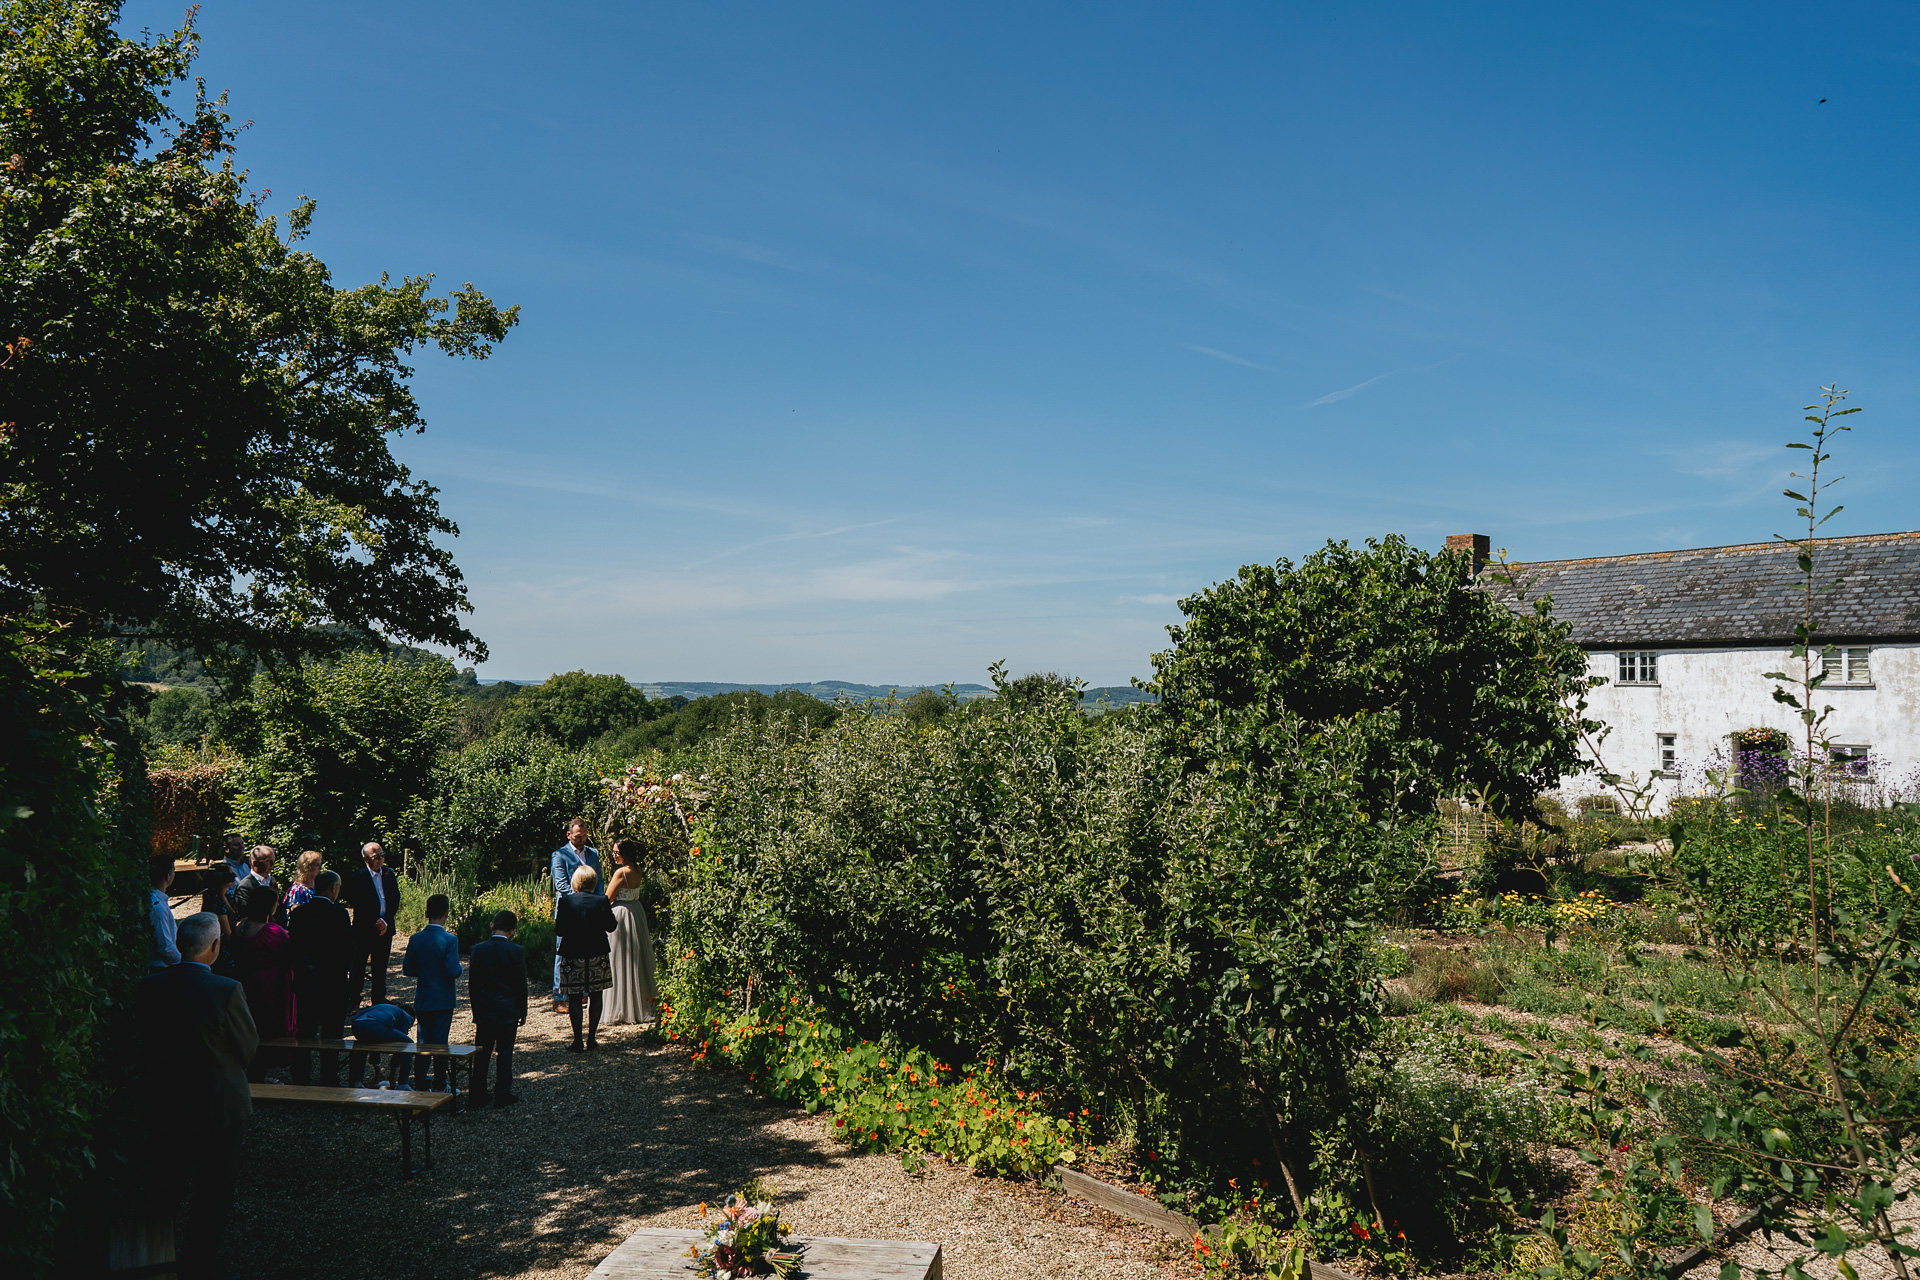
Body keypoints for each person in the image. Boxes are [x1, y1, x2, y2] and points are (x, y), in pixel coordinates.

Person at [135, 912, 258, 1280]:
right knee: (213, 1190)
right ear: (215, 947)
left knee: (165, 1184)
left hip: (165, 1099)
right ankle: (200, 1265)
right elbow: (248, 1047)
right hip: (218, 1103)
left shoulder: (149, 986)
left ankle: (157, 1260)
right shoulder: (225, 989)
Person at [288, 870, 355, 1085]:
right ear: (333, 888)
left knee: (305, 1032)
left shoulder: (299, 914)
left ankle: (300, 1075)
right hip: (333, 982)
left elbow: (293, 948)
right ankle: (329, 1076)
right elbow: (348, 949)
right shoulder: (339, 914)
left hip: (305, 981)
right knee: (332, 1033)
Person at [229, 883, 295, 1079]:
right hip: (270, 983)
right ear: (269, 905)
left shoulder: (239, 927)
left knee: (251, 1022)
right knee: (268, 1024)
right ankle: (262, 1069)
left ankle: (251, 1066)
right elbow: (289, 955)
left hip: (244, 979)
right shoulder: (272, 932)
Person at [400, 892, 462, 1091]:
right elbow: (453, 971)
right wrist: (460, 969)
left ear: (426, 912)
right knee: (440, 1044)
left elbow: (408, 969)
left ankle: (419, 1082)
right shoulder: (450, 940)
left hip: (424, 996)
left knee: (423, 1043)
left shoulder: (416, 938)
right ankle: (440, 1084)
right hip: (443, 998)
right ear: (446, 913)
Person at [467, 910, 528, 1107]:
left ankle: (477, 1092)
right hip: (507, 1010)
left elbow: (473, 984)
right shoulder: (515, 951)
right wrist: (522, 1010)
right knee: (505, 1052)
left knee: (482, 1053)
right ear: (513, 930)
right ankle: (502, 1092)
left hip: (485, 1009)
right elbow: (520, 985)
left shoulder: (478, 949)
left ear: (492, 925)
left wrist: (475, 1009)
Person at [554, 865, 617, 1052]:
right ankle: (592, 1039)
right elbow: (611, 926)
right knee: (596, 995)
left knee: (574, 997)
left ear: (576, 881)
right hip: (597, 952)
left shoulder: (565, 902)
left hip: (573, 953)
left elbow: (559, 930)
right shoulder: (602, 901)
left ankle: (577, 1041)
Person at [602, 838, 659, 1024]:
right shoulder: (637, 869)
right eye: (613, 852)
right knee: (637, 960)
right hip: (637, 911)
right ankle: (640, 1003)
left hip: (621, 913)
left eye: (617, 853)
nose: (614, 856)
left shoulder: (621, 873)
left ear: (625, 853)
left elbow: (607, 898)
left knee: (619, 959)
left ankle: (620, 1007)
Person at [549, 819, 601, 1013]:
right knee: (562, 952)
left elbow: (599, 880)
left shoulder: (593, 853)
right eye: (578, 836)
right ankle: (559, 997)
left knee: (587, 950)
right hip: (569, 910)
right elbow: (561, 884)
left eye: (585, 836)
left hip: (590, 909)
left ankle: (583, 992)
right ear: (569, 835)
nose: (582, 840)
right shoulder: (559, 855)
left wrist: (597, 902)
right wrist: (581, 901)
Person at [343, 841, 400, 1004]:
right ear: (365, 858)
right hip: (365, 929)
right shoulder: (358, 877)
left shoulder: (389, 873)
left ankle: (378, 1000)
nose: (381, 859)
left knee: (380, 967)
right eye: (376, 856)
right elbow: (359, 903)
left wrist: (385, 920)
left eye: (382, 855)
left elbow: (395, 898)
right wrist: (375, 920)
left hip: (386, 927)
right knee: (358, 966)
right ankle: (353, 1000)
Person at [349, 1000, 415, 1089]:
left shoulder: (385, 1008)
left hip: (357, 1025)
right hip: (375, 1025)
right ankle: (403, 1084)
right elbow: (401, 1046)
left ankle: (356, 1082)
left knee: (364, 1045)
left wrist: (377, 1068)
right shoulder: (407, 1016)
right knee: (409, 1044)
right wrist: (393, 1071)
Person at [199, 863, 239, 978]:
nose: (235, 876)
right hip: (224, 950)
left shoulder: (228, 897)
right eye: (231, 874)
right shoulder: (216, 900)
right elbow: (227, 933)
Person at [148, 856, 179, 970]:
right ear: (168, 876)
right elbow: (165, 947)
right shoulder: (157, 906)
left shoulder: (158, 900)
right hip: (161, 968)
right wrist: (182, 962)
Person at [278, 849, 323, 922]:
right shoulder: (298, 889)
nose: (320, 868)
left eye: (320, 864)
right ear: (308, 867)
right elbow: (296, 914)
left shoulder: (319, 884)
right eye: (317, 865)